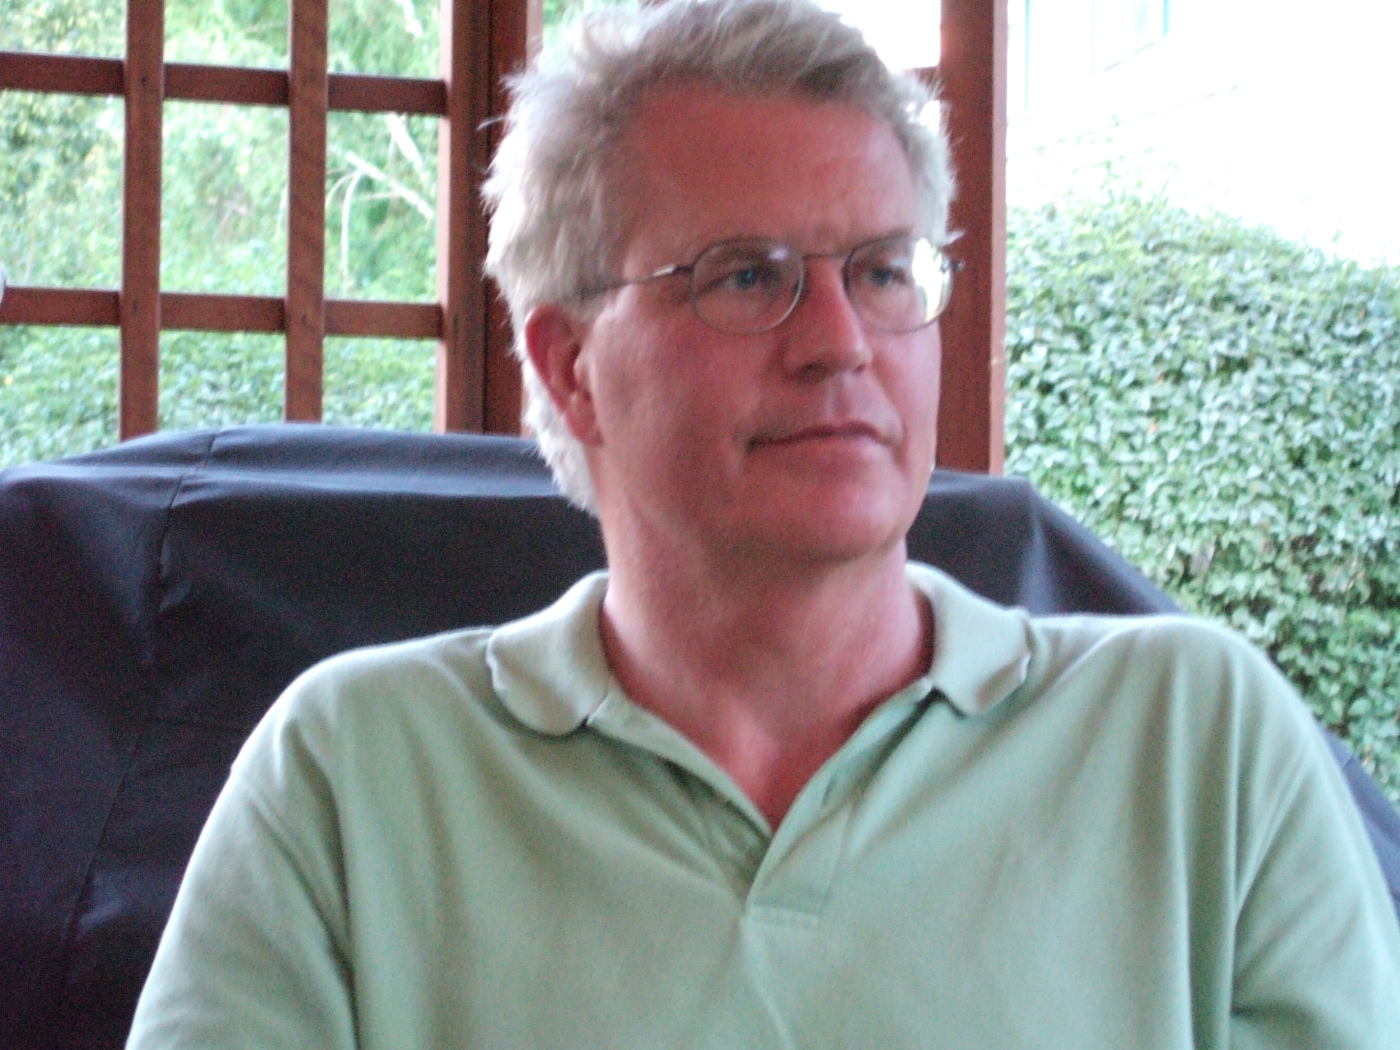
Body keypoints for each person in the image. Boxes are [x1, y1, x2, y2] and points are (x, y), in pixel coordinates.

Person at [127, 0, 1400, 1046]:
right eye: (747, 277)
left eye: (883, 272)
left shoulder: (1192, 740)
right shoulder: (355, 775)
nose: (840, 342)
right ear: (569, 368)